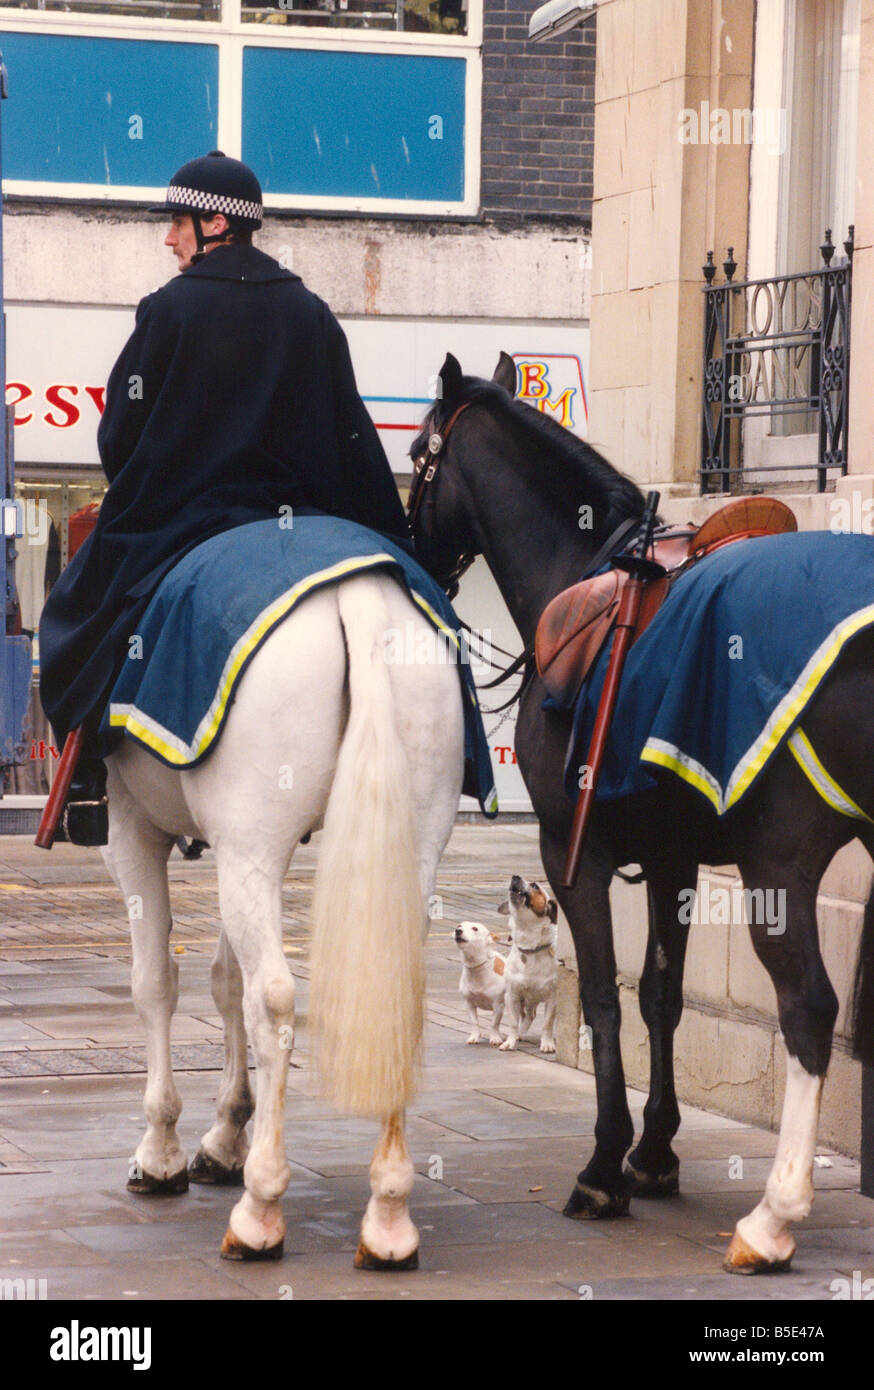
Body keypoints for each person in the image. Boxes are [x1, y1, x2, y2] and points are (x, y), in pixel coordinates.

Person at [39, 150, 409, 839]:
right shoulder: (312, 315)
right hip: (304, 529)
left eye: (178, 221)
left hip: (187, 523)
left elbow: (120, 437)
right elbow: (353, 442)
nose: (169, 237)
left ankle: (87, 771)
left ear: (215, 221)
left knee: (75, 612)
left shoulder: (169, 311)